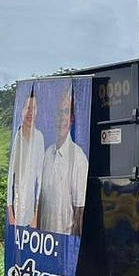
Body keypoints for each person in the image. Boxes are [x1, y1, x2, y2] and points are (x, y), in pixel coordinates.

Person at [38, 88, 89, 236]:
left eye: (66, 112)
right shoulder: (47, 154)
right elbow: (41, 200)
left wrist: (71, 249)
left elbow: (80, 210)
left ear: (72, 119)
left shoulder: (78, 158)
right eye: (59, 112)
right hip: (45, 244)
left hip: (64, 244)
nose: (62, 118)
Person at [6, 90, 44, 227]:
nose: (30, 112)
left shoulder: (39, 138)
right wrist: (10, 213)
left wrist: (36, 214)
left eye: (33, 108)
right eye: (28, 107)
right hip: (16, 209)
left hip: (31, 211)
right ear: (22, 110)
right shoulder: (17, 137)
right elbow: (11, 175)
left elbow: (40, 177)